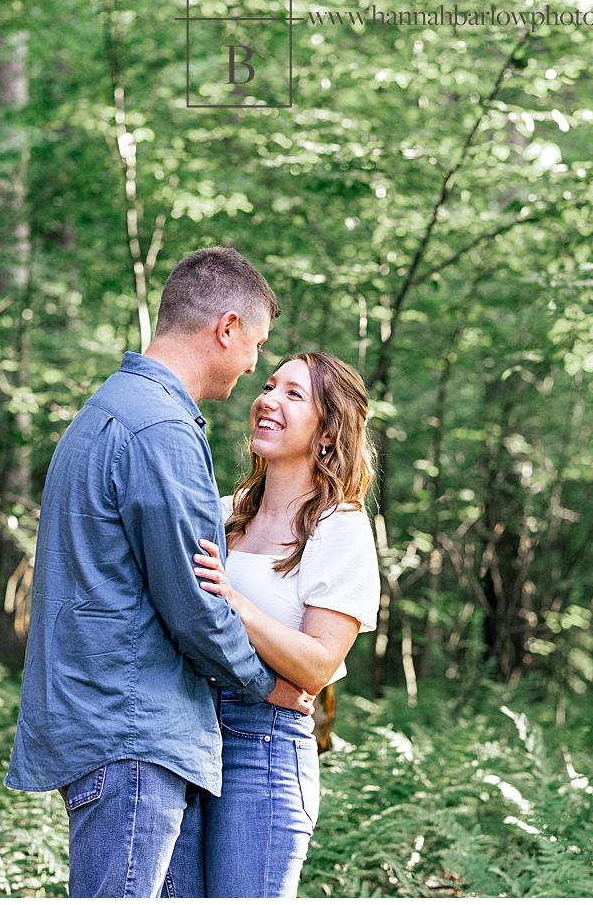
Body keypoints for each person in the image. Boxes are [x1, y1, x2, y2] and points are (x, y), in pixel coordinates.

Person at [5, 247, 315, 898]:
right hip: (135, 737)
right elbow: (196, 603)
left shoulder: (107, 411)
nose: (256, 363)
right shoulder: (162, 430)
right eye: (256, 344)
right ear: (225, 328)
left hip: (120, 733)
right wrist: (268, 686)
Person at [168, 352, 379, 899]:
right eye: (269, 384)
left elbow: (317, 665)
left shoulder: (341, 528)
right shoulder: (220, 511)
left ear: (328, 431)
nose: (268, 399)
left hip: (262, 748)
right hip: (184, 730)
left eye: (293, 394)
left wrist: (233, 598)